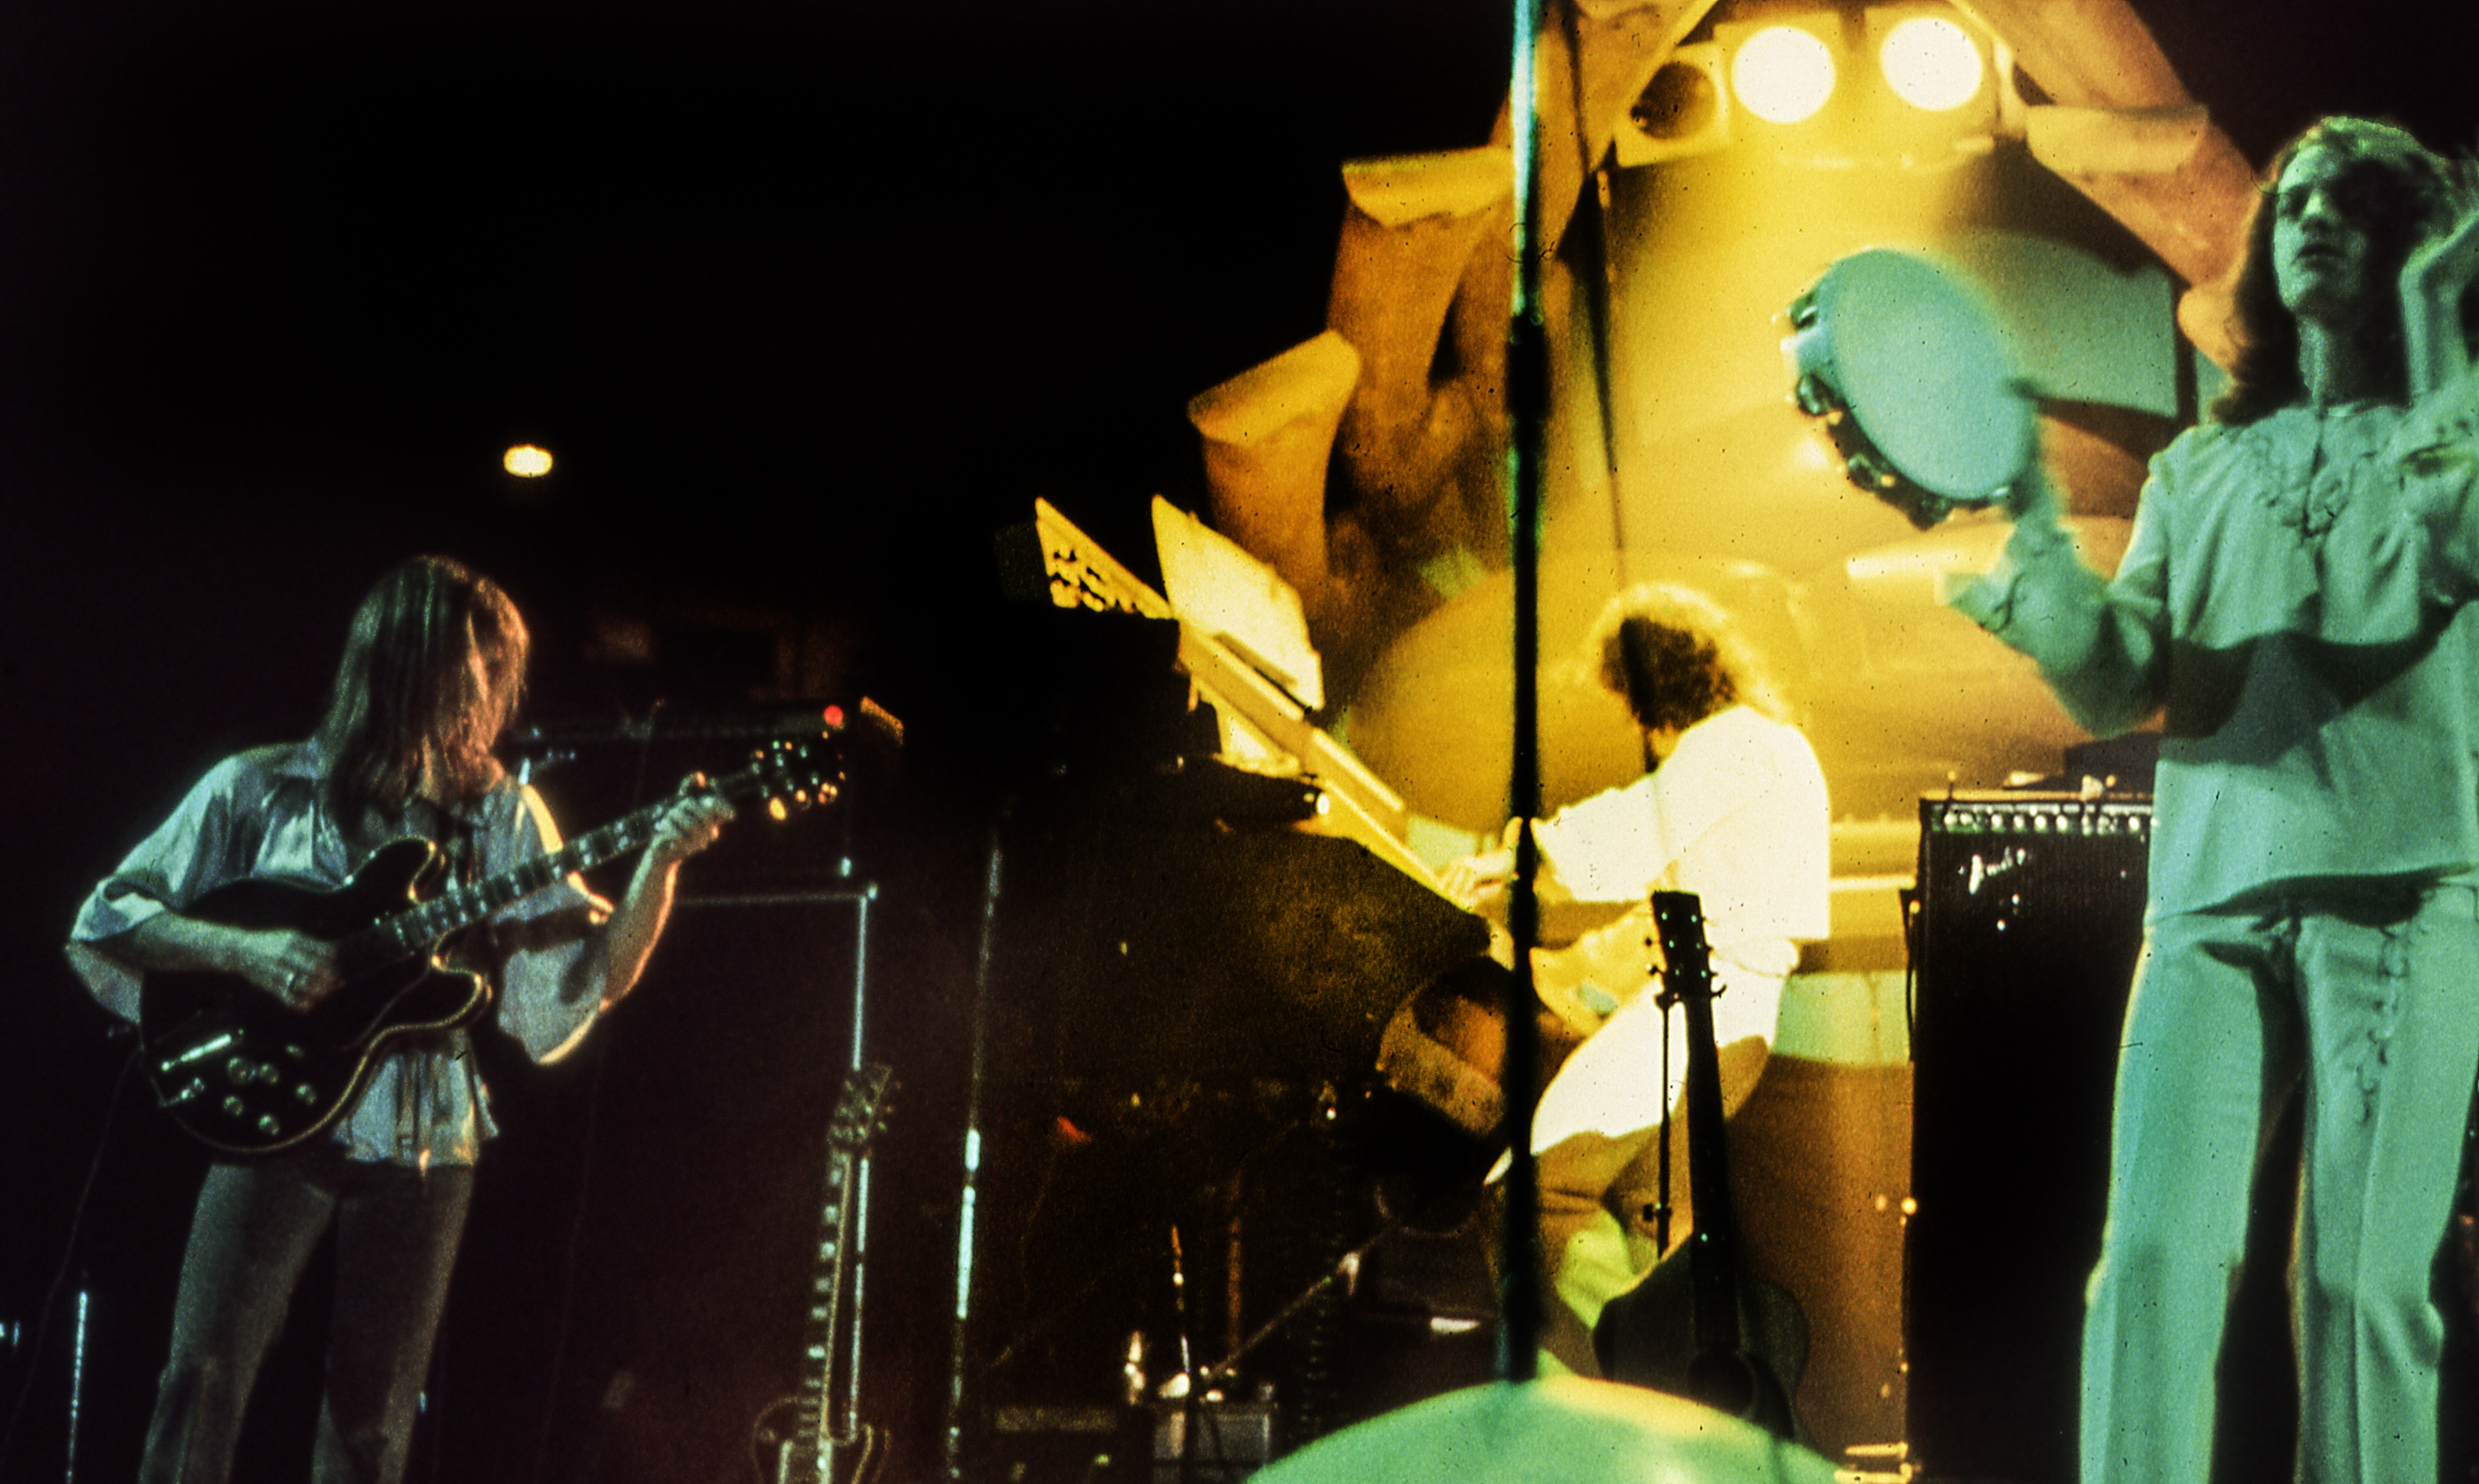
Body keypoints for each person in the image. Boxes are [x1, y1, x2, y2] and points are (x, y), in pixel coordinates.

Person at [1945, 117, 2479, 1484]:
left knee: (2361, 1290)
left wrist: (2433, 324)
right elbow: (2129, 686)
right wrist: (2061, 624)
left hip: (2406, 891)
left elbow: (2443, 558)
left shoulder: (2458, 429)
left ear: (2421, 242)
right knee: (2151, 1265)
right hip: (2205, 903)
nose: (2309, 216)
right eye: (2293, 197)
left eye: (2351, 199)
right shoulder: (2197, 468)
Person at [65, 555, 735, 1484]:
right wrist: (247, 950)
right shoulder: (258, 789)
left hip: (424, 1133)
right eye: (472, 659)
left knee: (374, 1423)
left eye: (498, 666)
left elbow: (570, 982)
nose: (488, 686)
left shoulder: (499, 812)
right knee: (203, 1376)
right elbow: (109, 917)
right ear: (402, 656)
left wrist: (660, 862)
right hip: (270, 1109)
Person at [1436, 582, 1831, 1375]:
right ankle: (1662, 1416)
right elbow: (1661, 914)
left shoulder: (1735, 743)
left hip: (1706, 1011)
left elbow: (1634, 828)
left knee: (1528, 1198)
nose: (1637, 731)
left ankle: (1604, 1407)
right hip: (1732, 1017)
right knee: (1660, 1236)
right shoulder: (1765, 747)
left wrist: (1516, 859)